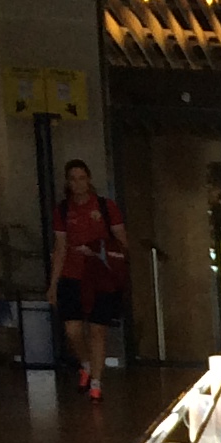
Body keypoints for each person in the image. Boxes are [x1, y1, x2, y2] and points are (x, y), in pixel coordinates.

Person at [46, 158, 130, 402]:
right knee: (72, 330)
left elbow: (122, 242)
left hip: (100, 277)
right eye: (73, 179)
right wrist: (53, 284)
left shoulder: (106, 207)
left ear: (89, 179)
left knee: (97, 329)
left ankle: (96, 383)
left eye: (82, 178)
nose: (78, 183)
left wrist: (99, 251)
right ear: (68, 182)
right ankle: (85, 363)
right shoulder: (63, 210)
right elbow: (60, 247)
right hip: (71, 274)